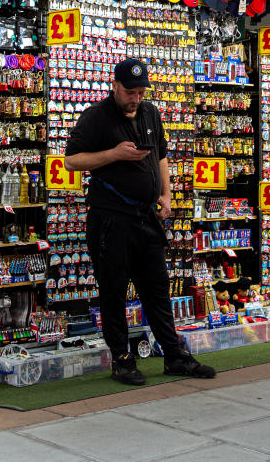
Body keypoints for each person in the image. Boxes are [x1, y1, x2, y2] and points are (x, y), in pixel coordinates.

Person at [65, 58, 216, 385]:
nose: (135, 98)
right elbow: (71, 161)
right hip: (111, 220)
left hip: (146, 218)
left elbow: (161, 155)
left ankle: (174, 356)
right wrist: (113, 154)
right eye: (130, 92)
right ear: (114, 85)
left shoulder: (150, 113)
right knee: (113, 291)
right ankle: (121, 359)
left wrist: (167, 194)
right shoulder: (96, 117)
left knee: (157, 288)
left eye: (140, 91)